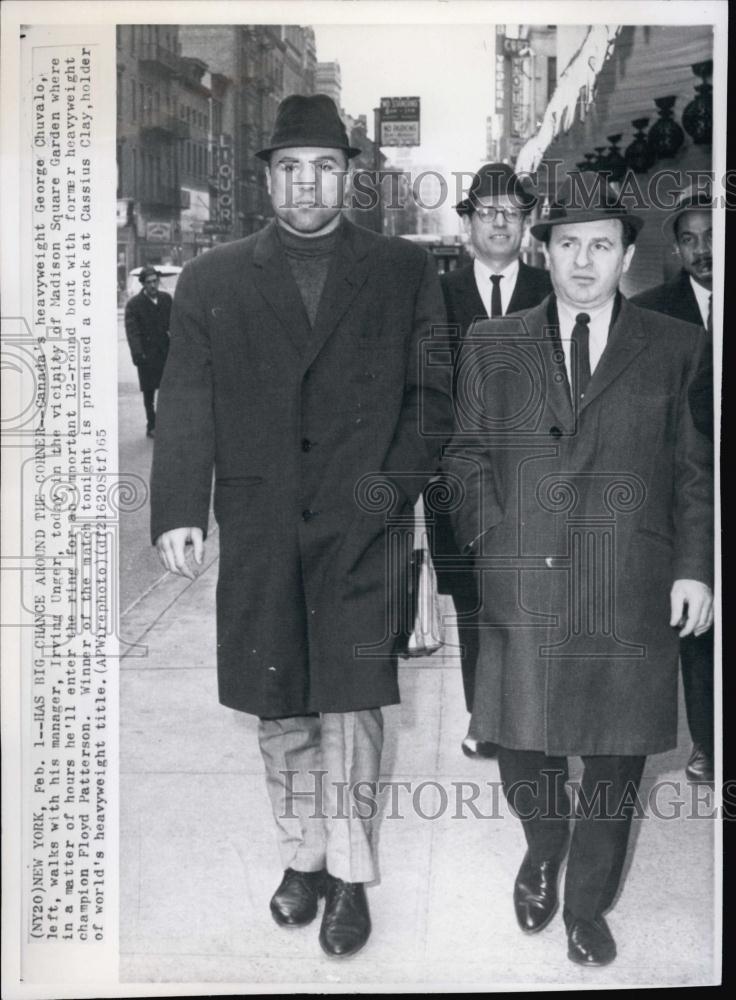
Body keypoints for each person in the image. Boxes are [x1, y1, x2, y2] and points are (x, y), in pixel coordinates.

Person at [149, 94, 453, 958]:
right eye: (290, 168)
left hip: (365, 527)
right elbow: (188, 405)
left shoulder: (402, 270)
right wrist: (178, 511)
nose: (307, 184)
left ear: (350, 177)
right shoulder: (212, 279)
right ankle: (304, 857)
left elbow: (431, 399)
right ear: (268, 180)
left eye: (324, 166)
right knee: (280, 704)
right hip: (262, 526)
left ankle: (352, 876)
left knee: (353, 707)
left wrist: (390, 493)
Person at [443, 176, 713, 966]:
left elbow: (693, 471)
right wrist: (493, 540)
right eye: (567, 245)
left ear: (628, 254)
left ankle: (586, 905)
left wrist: (693, 569)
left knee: (615, 754)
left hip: (628, 584)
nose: (584, 261)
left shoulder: (674, 347)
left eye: (601, 245)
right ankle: (543, 844)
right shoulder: (493, 345)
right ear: (544, 251)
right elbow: (462, 456)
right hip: (522, 580)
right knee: (519, 740)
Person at [434, 163, 552, 760]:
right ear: (468, 223)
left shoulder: (553, 290)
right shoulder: (434, 295)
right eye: (488, 211)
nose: (501, 222)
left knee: (536, 595)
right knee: (473, 600)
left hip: (539, 476)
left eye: (513, 211)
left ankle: (537, 718)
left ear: (527, 224)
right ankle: (484, 718)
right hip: (457, 477)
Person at [631, 184, 715, 784]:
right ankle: (708, 743)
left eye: (712, 237)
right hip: (689, 487)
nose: (702, 250)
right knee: (697, 623)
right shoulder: (656, 313)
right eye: (689, 240)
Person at [124, 265, 172, 438]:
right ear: (143, 284)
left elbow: (174, 323)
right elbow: (132, 332)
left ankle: (165, 422)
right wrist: (138, 354)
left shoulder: (166, 299)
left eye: (155, 281)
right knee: (149, 392)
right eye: (149, 282)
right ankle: (151, 424)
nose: (153, 285)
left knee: (166, 390)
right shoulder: (134, 305)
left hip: (165, 352)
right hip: (147, 355)